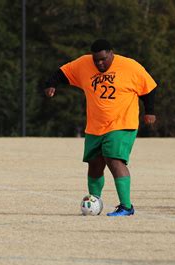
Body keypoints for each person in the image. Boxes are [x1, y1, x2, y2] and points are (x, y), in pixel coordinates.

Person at [44, 39, 157, 216]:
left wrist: (150, 111)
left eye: (103, 59)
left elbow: (149, 89)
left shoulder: (130, 66)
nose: (99, 63)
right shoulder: (84, 63)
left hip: (122, 123)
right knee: (95, 164)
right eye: (96, 60)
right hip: (95, 127)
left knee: (113, 159)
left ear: (111, 53)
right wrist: (50, 84)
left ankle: (126, 206)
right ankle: (94, 201)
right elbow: (62, 72)